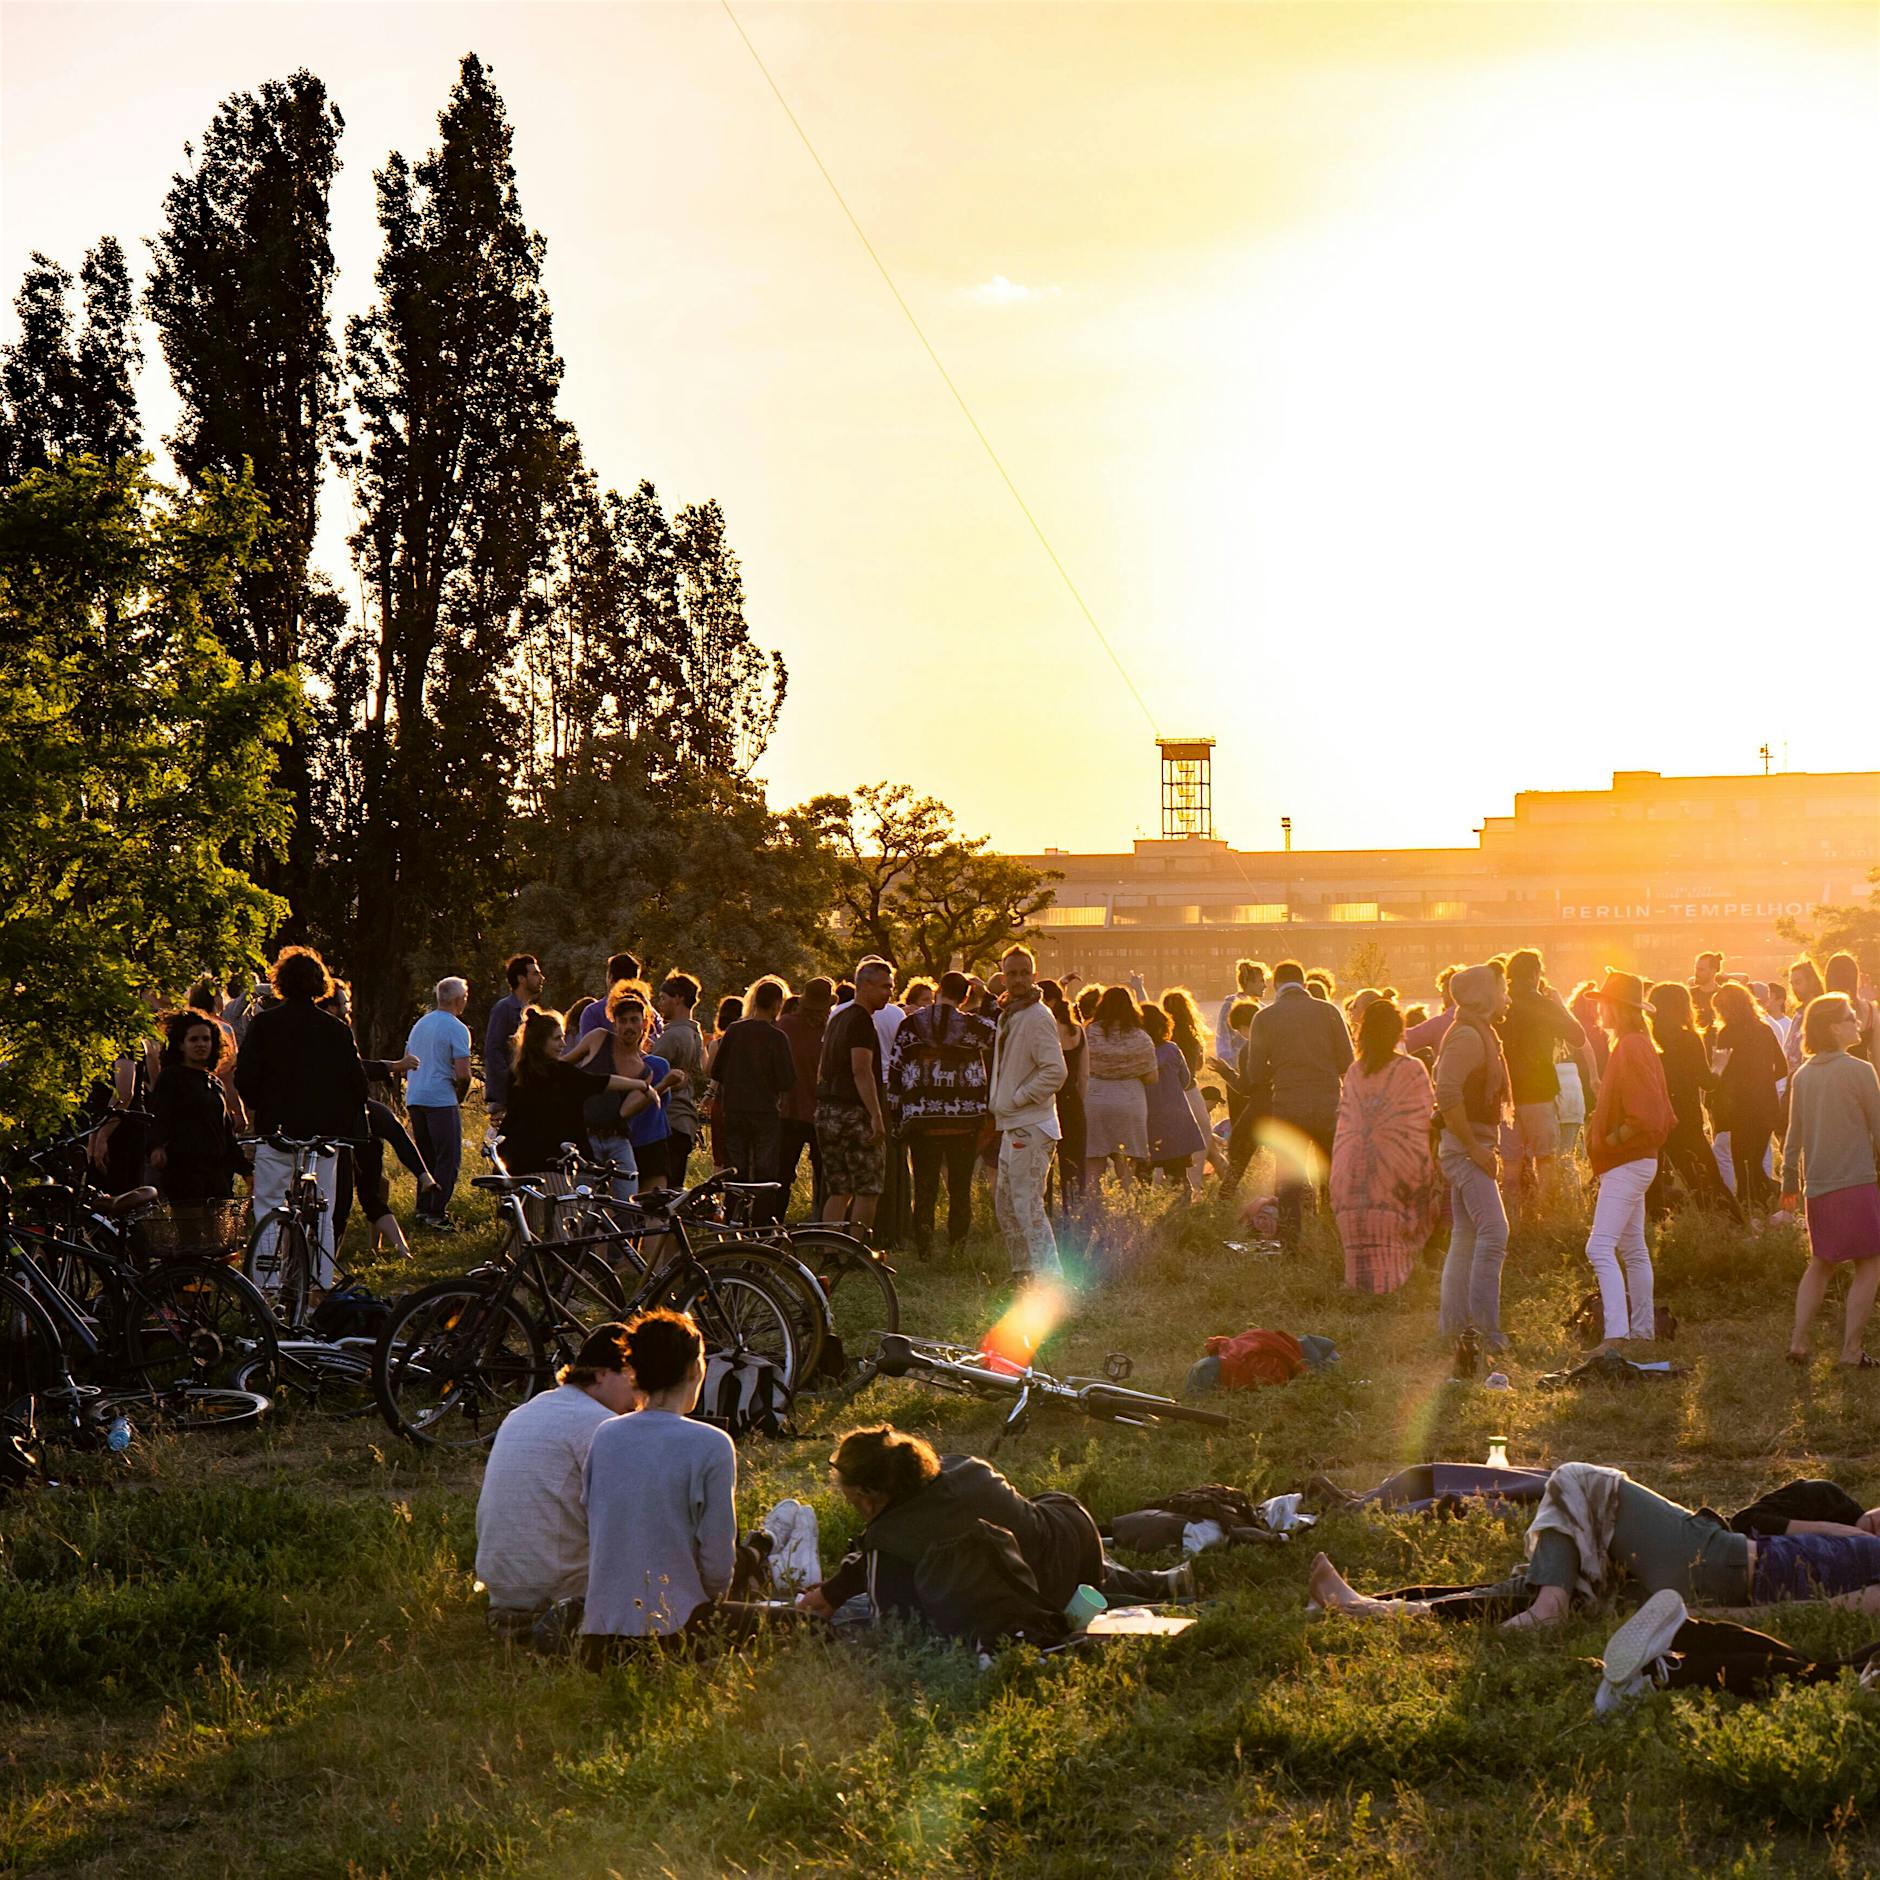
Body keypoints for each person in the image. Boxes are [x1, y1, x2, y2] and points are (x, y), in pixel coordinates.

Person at [1308, 1463, 1880, 1631]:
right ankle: (1374, 1610)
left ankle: (1548, 1612)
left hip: (1721, 1560)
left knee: (1582, 1480)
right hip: (1718, 1561)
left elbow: (1836, 1609)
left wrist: (1711, 1616)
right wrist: (1854, 1529)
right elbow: (1772, 1521)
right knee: (1552, 1571)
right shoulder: (1854, 1527)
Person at [799, 1424, 1192, 1631]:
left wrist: (833, 1603)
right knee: (1033, 1529)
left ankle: (1140, 1590)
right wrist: (835, 1588)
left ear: (870, 1495)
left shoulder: (892, 1537)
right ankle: (1154, 1583)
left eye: (852, 1500)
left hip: (1040, 1590)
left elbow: (891, 1622)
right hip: (1074, 1532)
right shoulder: (959, 1465)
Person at [582, 1310, 782, 1659]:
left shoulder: (605, 1435)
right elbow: (718, 1565)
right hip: (676, 1630)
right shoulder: (712, 1444)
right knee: (812, 1626)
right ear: (694, 1370)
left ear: (633, 1373)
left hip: (601, 1637)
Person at [474, 1321, 636, 1635]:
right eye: (632, 1379)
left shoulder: (523, 1412)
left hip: (501, 1590)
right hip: (558, 1595)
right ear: (602, 1373)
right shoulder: (603, 1426)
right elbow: (625, 1524)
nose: (639, 1395)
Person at [234, 945, 369, 1289]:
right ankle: (318, 1283)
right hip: (323, 1134)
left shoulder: (264, 1025)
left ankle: (266, 1284)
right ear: (319, 984)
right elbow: (357, 1083)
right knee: (322, 1209)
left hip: (276, 1128)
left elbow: (245, 1077)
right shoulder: (336, 1029)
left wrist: (260, 1107)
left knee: (268, 1204)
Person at [1783, 994, 1880, 1368]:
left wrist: (1789, 1182)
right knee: (1870, 1261)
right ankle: (1851, 1350)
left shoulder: (1803, 1075)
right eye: (1849, 1017)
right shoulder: (1860, 1070)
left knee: (1821, 1262)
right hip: (1856, 1180)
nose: (1857, 1021)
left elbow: (1793, 1136)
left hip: (1818, 1186)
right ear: (1831, 1027)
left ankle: (1798, 1342)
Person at [1583, 969, 1676, 1346]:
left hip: (1627, 1160)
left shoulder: (1631, 1046)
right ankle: (1641, 1331)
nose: (1599, 1010)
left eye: (1603, 1003)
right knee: (1633, 1249)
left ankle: (1616, 1335)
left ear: (1616, 1008)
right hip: (1635, 1161)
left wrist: (1611, 1139)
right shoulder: (1636, 1043)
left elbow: (1646, 1114)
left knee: (1599, 1247)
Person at [1243, 960, 1355, 1248]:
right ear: (1304, 983)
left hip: (1289, 1105)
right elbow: (1347, 1062)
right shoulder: (1329, 1011)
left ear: (1277, 984)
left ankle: (1290, 1243)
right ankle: (1337, 1236)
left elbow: (1255, 1072)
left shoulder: (1264, 1018)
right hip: (1328, 1104)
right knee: (1332, 1173)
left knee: (1290, 1181)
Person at [1329, 999, 1437, 1295]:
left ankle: (1359, 1286)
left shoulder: (1354, 1071)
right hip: (1396, 1166)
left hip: (1349, 1167)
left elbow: (1347, 1121)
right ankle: (1389, 1284)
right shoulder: (1412, 1068)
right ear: (1398, 1032)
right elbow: (1423, 1120)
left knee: (1361, 1226)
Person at [891, 970, 995, 1259]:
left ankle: (924, 1247)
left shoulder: (909, 1025)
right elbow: (999, 1027)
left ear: (937, 991)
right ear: (964, 996)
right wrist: (985, 997)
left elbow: (896, 1068)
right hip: (963, 1120)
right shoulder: (975, 1026)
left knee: (925, 1185)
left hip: (923, 1119)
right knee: (960, 1186)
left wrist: (896, 1115)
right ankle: (957, 1246)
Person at [1435, 963, 1511, 1348]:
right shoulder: (1468, 1036)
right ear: (1485, 994)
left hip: (1469, 1145)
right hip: (1465, 1149)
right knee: (1494, 1232)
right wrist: (1473, 1148)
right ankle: (1485, 1331)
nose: (1508, 996)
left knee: (1465, 1235)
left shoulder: (1479, 1033)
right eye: (1503, 988)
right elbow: (1447, 1093)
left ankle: (1453, 1328)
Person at [988, 945, 1068, 1279]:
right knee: (1006, 1203)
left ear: (1034, 975)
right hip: (1016, 1122)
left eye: (1024, 973)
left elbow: (1056, 1071)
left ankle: (1049, 1279)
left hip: (1031, 1124)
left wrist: (1017, 1098)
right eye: (1012, 973)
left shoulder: (1036, 1016)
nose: (1018, 979)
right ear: (1003, 977)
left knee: (1026, 1204)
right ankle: (1024, 1271)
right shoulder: (1013, 1012)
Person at [498, 1007, 653, 1178]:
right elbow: (601, 1082)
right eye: (557, 1039)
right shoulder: (561, 1073)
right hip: (550, 1163)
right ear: (540, 1042)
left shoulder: (517, 1073)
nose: (563, 1045)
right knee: (562, 1203)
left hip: (516, 1161)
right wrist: (642, 1085)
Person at [566, 982, 681, 1199]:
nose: (629, 1026)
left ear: (643, 1023)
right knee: (580, 1203)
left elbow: (625, 1111)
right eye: (623, 1021)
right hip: (585, 1136)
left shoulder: (645, 1069)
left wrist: (660, 1086)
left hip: (617, 1139)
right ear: (615, 1024)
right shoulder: (599, 1039)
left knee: (627, 1204)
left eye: (634, 1020)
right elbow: (564, 1065)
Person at [1644, 981, 1743, 1223]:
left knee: (1652, 1184)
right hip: (1685, 1119)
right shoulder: (1688, 1039)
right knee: (1706, 1179)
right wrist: (1719, 1065)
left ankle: (1655, 1230)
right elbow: (1707, 1082)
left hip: (1654, 1117)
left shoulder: (1647, 1039)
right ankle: (1728, 1225)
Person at [1496, 950, 1591, 1192]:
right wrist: (1559, 1005)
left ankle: (1512, 1220)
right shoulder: (1543, 1005)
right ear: (1536, 975)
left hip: (1506, 1095)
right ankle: (1547, 1215)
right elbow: (1578, 1036)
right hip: (1539, 1091)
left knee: (1510, 1163)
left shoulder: (1500, 1005)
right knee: (1546, 1159)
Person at [816, 957, 895, 1232]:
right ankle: (855, 1252)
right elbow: (861, 1070)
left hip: (827, 1112)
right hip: (853, 1113)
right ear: (866, 985)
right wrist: (876, 1115)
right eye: (885, 987)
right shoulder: (862, 1021)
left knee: (838, 1188)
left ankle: (830, 1250)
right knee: (867, 1187)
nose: (890, 993)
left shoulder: (837, 1018)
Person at [711, 977, 797, 1213]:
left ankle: (733, 1220)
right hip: (765, 1112)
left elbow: (717, 1070)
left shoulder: (735, 1030)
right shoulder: (777, 1038)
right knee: (765, 1172)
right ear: (778, 1004)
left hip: (735, 1108)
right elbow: (787, 1080)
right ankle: (760, 1227)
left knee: (735, 1170)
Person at [147, 1009, 247, 1210]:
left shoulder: (215, 1083)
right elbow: (158, 1116)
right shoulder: (171, 1078)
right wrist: (156, 1147)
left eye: (206, 1039)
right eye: (193, 1040)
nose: (201, 1044)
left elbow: (225, 1132)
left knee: (219, 1236)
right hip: (184, 1171)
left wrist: (245, 1170)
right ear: (181, 1045)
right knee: (191, 1236)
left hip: (216, 1175)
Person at [404, 976, 474, 1234]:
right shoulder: (457, 1027)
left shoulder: (420, 1025)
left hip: (415, 1096)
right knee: (448, 1157)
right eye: (465, 997)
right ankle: (436, 1213)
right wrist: (460, 1097)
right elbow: (464, 1074)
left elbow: (406, 1060)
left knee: (426, 1158)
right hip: (440, 1099)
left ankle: (422, 1208)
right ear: (458, 1000)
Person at [1710, 981, 1786, 1216]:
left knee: (1742, 1167)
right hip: (1765, 1108)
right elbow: (1782, 1068)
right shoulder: (1764, 1029)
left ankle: (1749, 1210)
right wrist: (1762, 1080)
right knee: (1754, 1164)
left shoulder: (1727, 1033)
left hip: (1740, 1110)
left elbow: (1722, 1074)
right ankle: (1773, 1202)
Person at [1081, 983, 1157, 1196]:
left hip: (1094, 1098)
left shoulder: (1089, 1032)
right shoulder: (1140, 1037)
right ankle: (1127, 1209)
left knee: (1093, 1163)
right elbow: (1152, 1077)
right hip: (1129, 1100)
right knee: (1126, 1163)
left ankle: (1091, 1210)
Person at [777, 977, 834, 1218]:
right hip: (823, 1110)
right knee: (825, 1176)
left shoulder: (786, 1025)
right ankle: (821, 1226)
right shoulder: (831, 1028)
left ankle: (773, 1221)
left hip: (789, 1109)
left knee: (782, 1174)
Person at [1139, 1006, 1204, 1195]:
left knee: (1142, 1172)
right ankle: (1182, 1209)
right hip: (1177, 1119)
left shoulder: (1138, 1055)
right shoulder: (1172, 1049)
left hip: (1148, 1120)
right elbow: (1186, 1081)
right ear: (1162, 1026)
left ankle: (1141, 1210)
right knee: (1178, 1172)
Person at [652, 973, 705, 1191]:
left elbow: (651, 1073)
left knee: (661, 1189)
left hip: (670, 1119)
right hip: (685, 1120)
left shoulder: (673, 1036)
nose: (660, 1004)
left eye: (663, 998)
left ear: (679, 998)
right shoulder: (695, 1034)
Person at [1042, 980, 1088, 1212]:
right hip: (1071, 1099)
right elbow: (1084, 1075)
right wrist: (1076, 1098)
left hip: (1046, 1099)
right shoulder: (1077, 1030)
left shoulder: (1043, 1030)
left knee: (1043, 1163)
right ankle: (1075, 1209)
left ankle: (1045, 1208)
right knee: (1073, 1161)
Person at [483, 954, 544, 1121]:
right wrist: (510, 1081)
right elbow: (492, 1049)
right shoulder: (504, 1008)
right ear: (521, 979)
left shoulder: (534, 1012)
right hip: (507, 1098)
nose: (541, 978)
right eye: (535, 974)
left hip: (527, 1094)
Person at [1825, 952, 1874, 1062]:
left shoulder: (1821, 1010)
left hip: (1830, 1075)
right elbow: (1877, 1055)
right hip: (1861, 1075)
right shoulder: (1869, 1010)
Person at [1214, 959, 1267, 1060]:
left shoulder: (1263, 1008)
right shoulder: (1231, 1004)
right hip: (1238, 1064)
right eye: (1261, 981)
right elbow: (1223, 1036)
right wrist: (1228, 1064)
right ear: (1248, 982)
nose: (1265, 985)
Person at [1786, 958, 1827, 1078]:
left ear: (1812, 981)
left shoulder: (1823, 1012)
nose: (1794, 988)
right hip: (1794, 1080)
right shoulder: (1798, 1014)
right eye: (1792, 983)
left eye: (1798, 982)